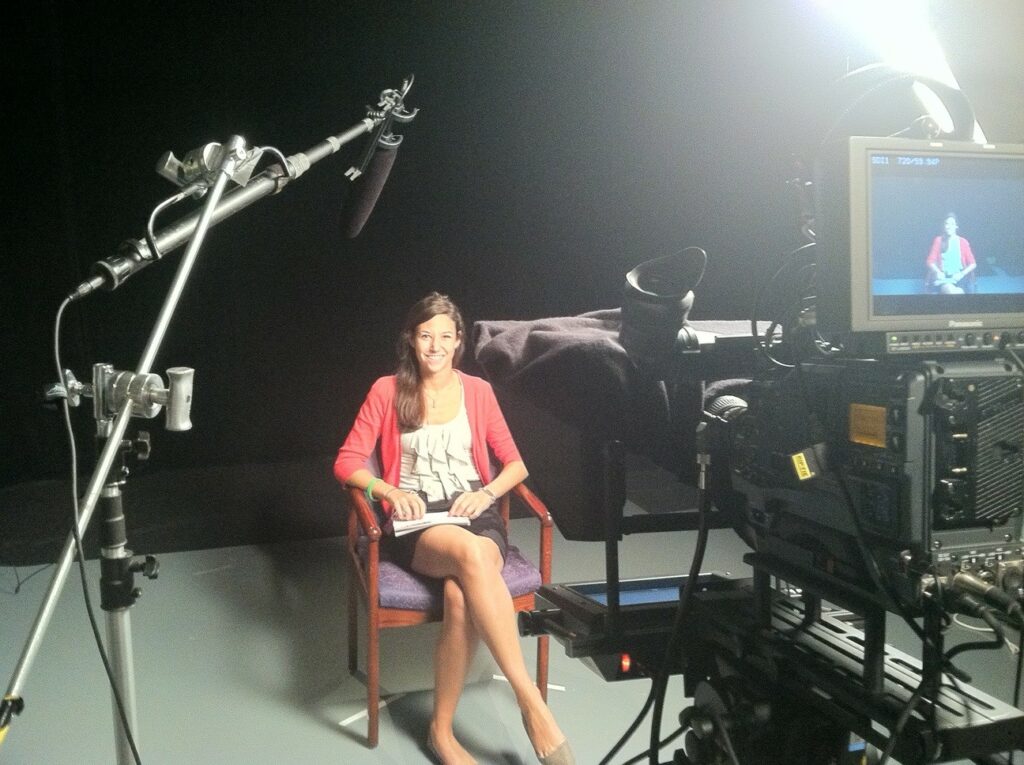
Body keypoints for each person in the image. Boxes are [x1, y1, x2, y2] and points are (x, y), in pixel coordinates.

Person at [334, 292, 574, 765]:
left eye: (445, 336)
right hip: (416, 520)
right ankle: (532, 703)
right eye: (426, 335)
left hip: (474, 512)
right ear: (411, 339)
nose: (435, 345)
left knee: (462, 593)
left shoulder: (478, 392)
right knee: (469, 555)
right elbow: (346, 462)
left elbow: (515, 466)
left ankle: (441, 734)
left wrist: (486, 494)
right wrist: (387, 491)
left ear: (459, 341)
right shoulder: (387, 390)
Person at [926, 213, 977, 294]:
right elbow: (930, 261)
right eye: (947, 224)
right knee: (950, 291)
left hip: (959, 277)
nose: (949, 226)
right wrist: (938, 272)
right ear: (944, 226)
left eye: (952, 224)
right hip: (944, 278)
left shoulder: (963, 242)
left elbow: (973, 263)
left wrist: (961, 274)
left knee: (958, 292)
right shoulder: (939, 240)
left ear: (956, 226)